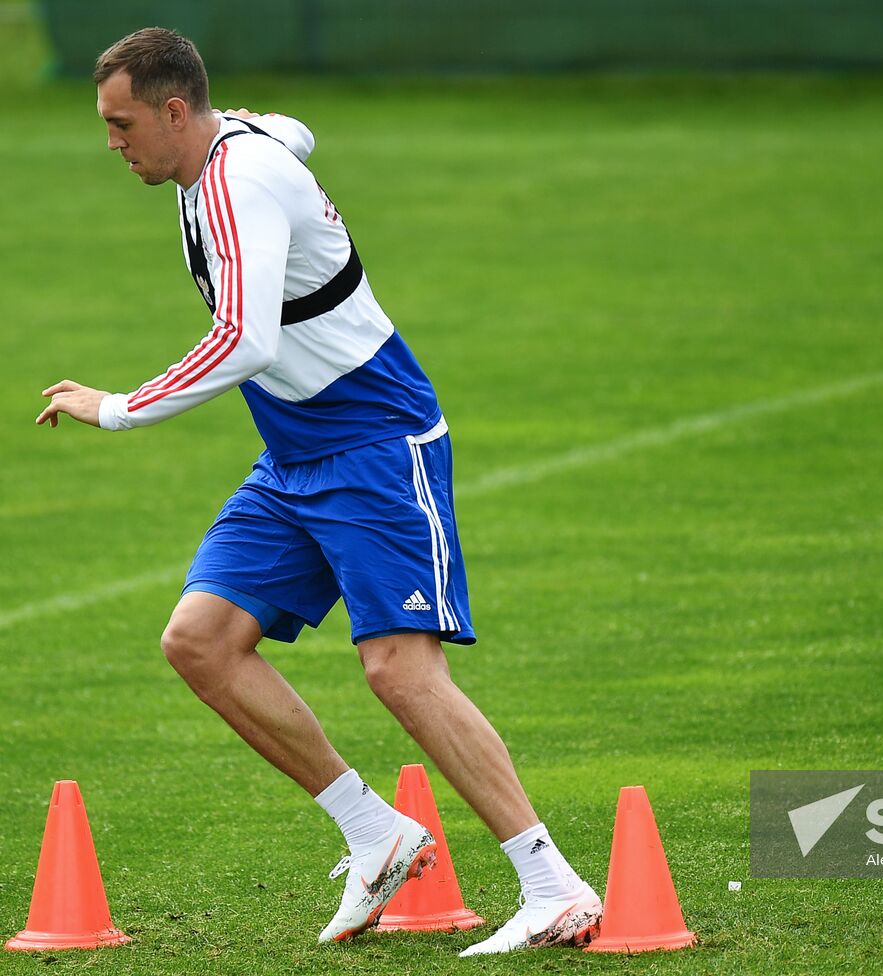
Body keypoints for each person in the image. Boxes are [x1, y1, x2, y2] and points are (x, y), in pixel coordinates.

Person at [35, 26, 600, 956]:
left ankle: (555, 888)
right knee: (201, 642)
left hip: (376, 442)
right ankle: (377, 834)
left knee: (400, 670)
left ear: (174, 112)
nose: (110, 142)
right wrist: (271, 131)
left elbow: (246, 339)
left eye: (121, 123)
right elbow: (294, 130)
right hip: (294, 453)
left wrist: (120, 408)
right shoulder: (228, 148)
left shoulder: (236, 182)